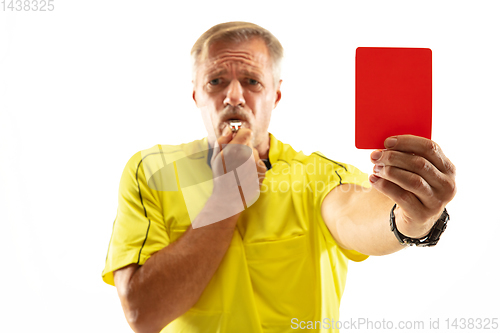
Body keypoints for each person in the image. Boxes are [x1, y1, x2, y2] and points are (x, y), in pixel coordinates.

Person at [102, 22, 456, 333]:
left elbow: (358, 216)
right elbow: (141, 313)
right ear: (196, 94)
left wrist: (414, 219)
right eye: (216, 81)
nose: (234, 96)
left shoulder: (319, 174)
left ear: (276, 95)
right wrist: (225, 202)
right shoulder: (149, 169)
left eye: (252, 81)